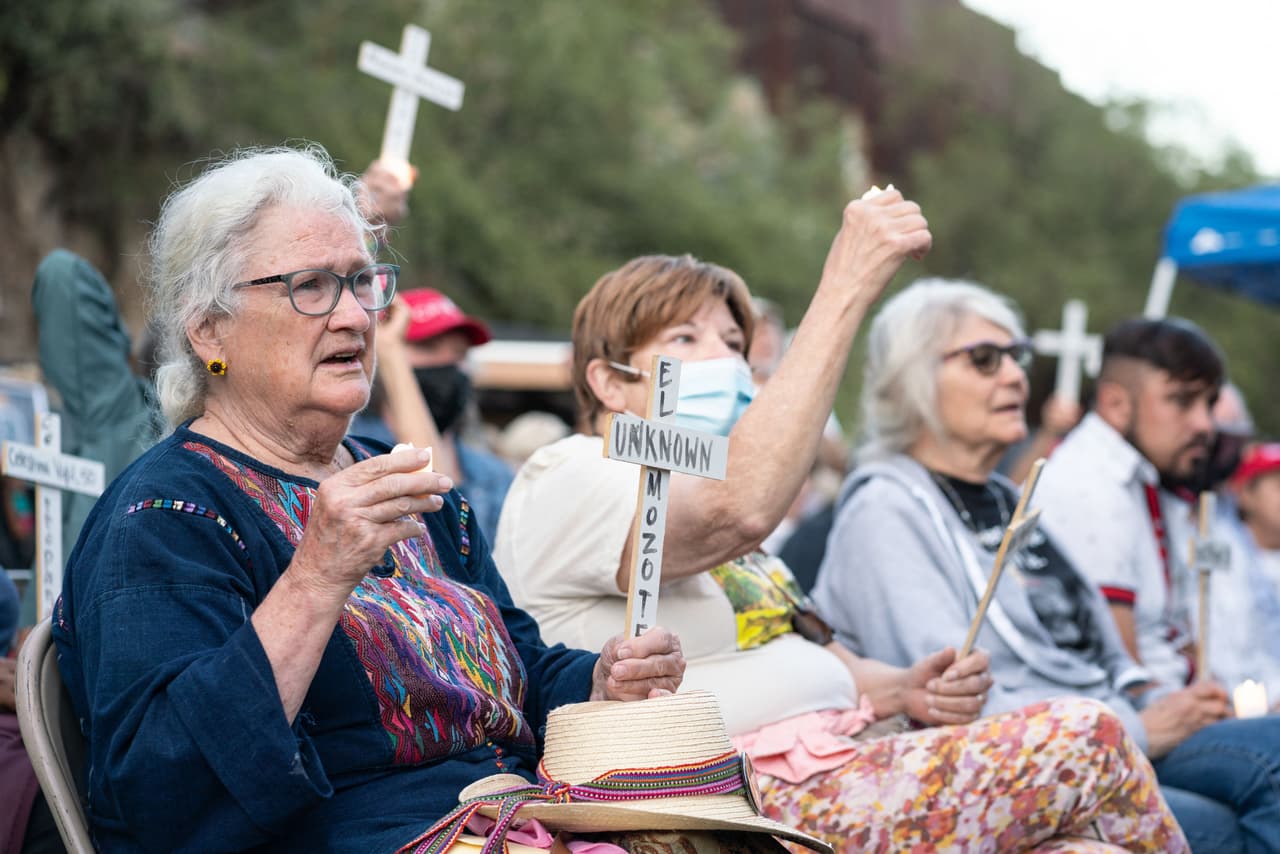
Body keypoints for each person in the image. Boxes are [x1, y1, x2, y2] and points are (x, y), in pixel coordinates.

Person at [52, 145, 686, 853]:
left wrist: (600, 678)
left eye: (362, 282)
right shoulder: (166, 515)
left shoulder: (406, 487)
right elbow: (157, 795)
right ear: (208, 329)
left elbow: (522, 673)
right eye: (312, 287)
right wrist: (316, 577)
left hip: (517, 822)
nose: (355, 316)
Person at [495, 228, 1187, 848]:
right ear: (610, 383)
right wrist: (849, 281)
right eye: (686, 340)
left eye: (735, 345)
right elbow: (739, 509)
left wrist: (908, 691)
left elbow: (812, 654)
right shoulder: (575, 467)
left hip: (839, 754)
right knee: (1089, 738)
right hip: (724, 799)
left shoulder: (721, 518)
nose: (726, 363)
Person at [811, 280, 1280, 852]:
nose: (1014, 375)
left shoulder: (1008, 498)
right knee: (1240, 798)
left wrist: (1150, 701)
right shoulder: (883, 510)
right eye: (984, 360)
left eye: (1017, 356)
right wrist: (1139, 727)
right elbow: (952, 698)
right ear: (911, 381)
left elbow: (1095, 646)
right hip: (1035, 758)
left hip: (1107, 728)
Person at [386, 287, 514, 538]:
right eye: (428, 346)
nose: (446, 363)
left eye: (459, 353)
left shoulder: (494, 476)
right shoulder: (355, 457)